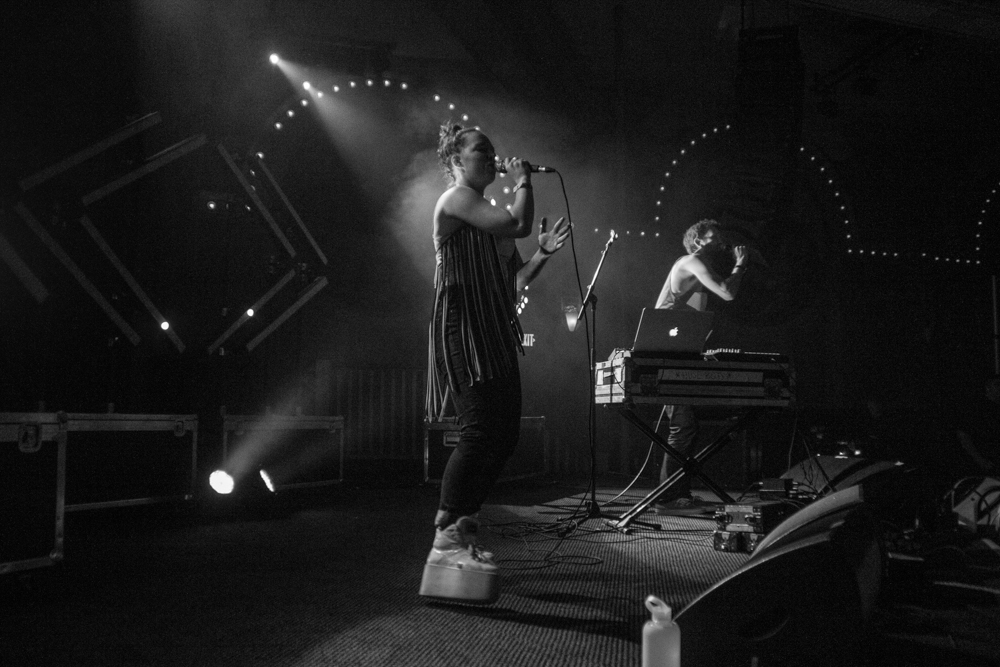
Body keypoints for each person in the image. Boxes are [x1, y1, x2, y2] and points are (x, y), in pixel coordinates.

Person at [420, 123, 569, 602]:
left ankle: (463, 530)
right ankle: (444, 539)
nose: (492, 156)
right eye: (480, 150)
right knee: (479, 431)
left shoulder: (487, 218)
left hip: (494, 330)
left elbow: (515, 283)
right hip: (464, 329)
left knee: (504, 436)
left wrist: (542, 254)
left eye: (492, 150)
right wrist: (524, 179)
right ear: (456, 161)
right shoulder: (456, 199)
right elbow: (518, 223)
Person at [652, 219, 749, 512]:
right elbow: (727, 292)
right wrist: (740, 264)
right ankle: (667, 498)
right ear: (697, 241)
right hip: (665, 351)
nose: (720, 241)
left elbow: (694, 322)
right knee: (682, 426)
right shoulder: (691, 262)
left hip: (677, 351)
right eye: (713, 236)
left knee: (686, 426)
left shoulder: (698, 274)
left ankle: (677, 493)